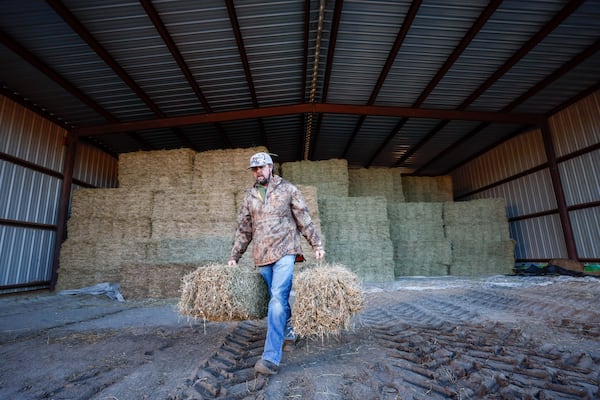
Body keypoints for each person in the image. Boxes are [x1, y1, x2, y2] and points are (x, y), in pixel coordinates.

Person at [228, 152, 325, 375]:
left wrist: (316, 245)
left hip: (286, 250)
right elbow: (244, 230)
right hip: (262, 256)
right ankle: (291, 330)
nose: (258, 171)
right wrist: (235, 256)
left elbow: (304, 219)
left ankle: (270, 358)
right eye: (254, 169)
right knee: (277, 298)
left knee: (277, 298)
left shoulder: (288, 189)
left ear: (271, 167)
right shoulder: (249, 197)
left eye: (261, 167)